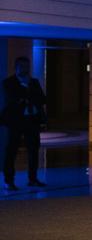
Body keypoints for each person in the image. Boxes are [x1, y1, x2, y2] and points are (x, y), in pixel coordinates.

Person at [2, 56, 47, 190]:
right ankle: (9, 180)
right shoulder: (8, 82)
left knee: (33, 150)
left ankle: (32, 179)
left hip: (32, 121)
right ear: (16, 67)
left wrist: (27, 93)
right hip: (16, 121)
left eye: (27, 66)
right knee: (12, 150)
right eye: (22, 66)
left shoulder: (34, 82)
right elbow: (13, 98)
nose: (25, 69)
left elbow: (42, 99)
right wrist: (26, 90)